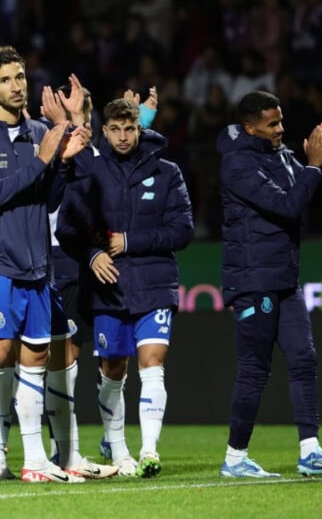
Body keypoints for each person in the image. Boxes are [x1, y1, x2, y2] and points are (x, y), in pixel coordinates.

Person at [0, 45, 90, 484]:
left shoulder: (39, 130)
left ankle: (34, 459)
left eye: (20, 77)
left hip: (37, 264)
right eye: (6, 80)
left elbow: (48, 199)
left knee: (37, 355)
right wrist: (41, 160)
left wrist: (62, 166)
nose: (17, 86)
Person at [57, 97, 193, 478]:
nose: (122, 136)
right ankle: (118, 450)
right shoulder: (90, 172)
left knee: (152, 364)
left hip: (153, 283)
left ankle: (149, 450)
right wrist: (92, 254)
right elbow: (67, 227)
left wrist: (130, 242)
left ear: (140, 129)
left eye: (129, 129)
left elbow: (183, 230)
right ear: (104, 130)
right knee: (113, 370)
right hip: (108, 287)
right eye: (114, 129)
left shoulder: (167, 172)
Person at [217, 90, 322, 478]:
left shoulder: (279, 155)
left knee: (305, 358)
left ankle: (311, 450)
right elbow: (289, 205)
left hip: (284, 278)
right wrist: (312, 164)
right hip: (253, 279)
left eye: (281, 121)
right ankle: (235, 459)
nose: (281, 129)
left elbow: (316, 193)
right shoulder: (237, 165)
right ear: (250, 127)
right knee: (255, 369)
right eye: (272, 124)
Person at [45, 83, 157, 479]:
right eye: (81, 118)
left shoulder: (99, 156)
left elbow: (144, 153)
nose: (86, 126)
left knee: (114, 363)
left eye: (88, 117)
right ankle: (61, 451)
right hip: (60, 264)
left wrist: (144, 120)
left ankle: (110, 446)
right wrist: (70, 124)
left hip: (97, 270)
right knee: (63, 360)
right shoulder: (53, 151)